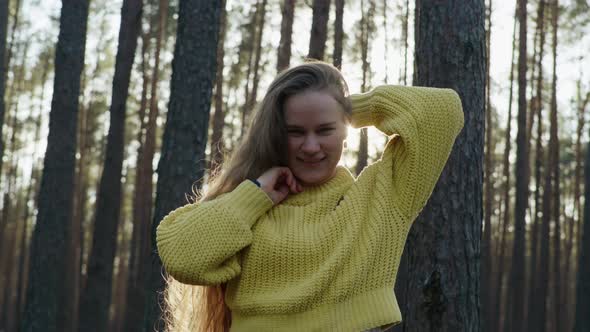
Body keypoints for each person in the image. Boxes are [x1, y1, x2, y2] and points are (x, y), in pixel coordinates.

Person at [156, 61, 464, 331]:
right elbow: (182, 256)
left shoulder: (381, 197)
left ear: (345, 131)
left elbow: (441, 111)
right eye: (295, 132)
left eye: (325, 129)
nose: (311, 146)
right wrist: (256, 195)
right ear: (276, 133)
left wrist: (349, 107)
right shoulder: (252, 205)